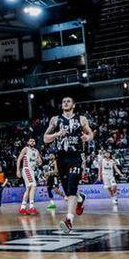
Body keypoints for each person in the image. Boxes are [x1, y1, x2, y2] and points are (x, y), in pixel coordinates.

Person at [43, 96, 94, 233]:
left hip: (76, 156)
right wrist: (57, 134)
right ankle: (79, 200)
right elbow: (45, 138)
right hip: (61, 158)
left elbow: (91, 134)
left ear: (74, 105)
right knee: (67, 191)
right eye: (63, 101)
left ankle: (69, 220)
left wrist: (87, 137)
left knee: (72, 187)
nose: (65, 102)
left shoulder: (81, 119)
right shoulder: (55, 119)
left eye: (68, 101)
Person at [16, 137, 42, 215]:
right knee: (34, 186)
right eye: (30, 141)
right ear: (28, 142)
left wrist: (39, 161)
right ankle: (31, 207)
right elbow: (19, 159)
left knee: (28, 188)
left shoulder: (36, 151)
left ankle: (23, 207)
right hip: (27, 169)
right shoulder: (25, 149)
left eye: (33, 141)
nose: (32, 142)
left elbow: (40, 162)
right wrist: (18, 170)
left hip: (32, 171)